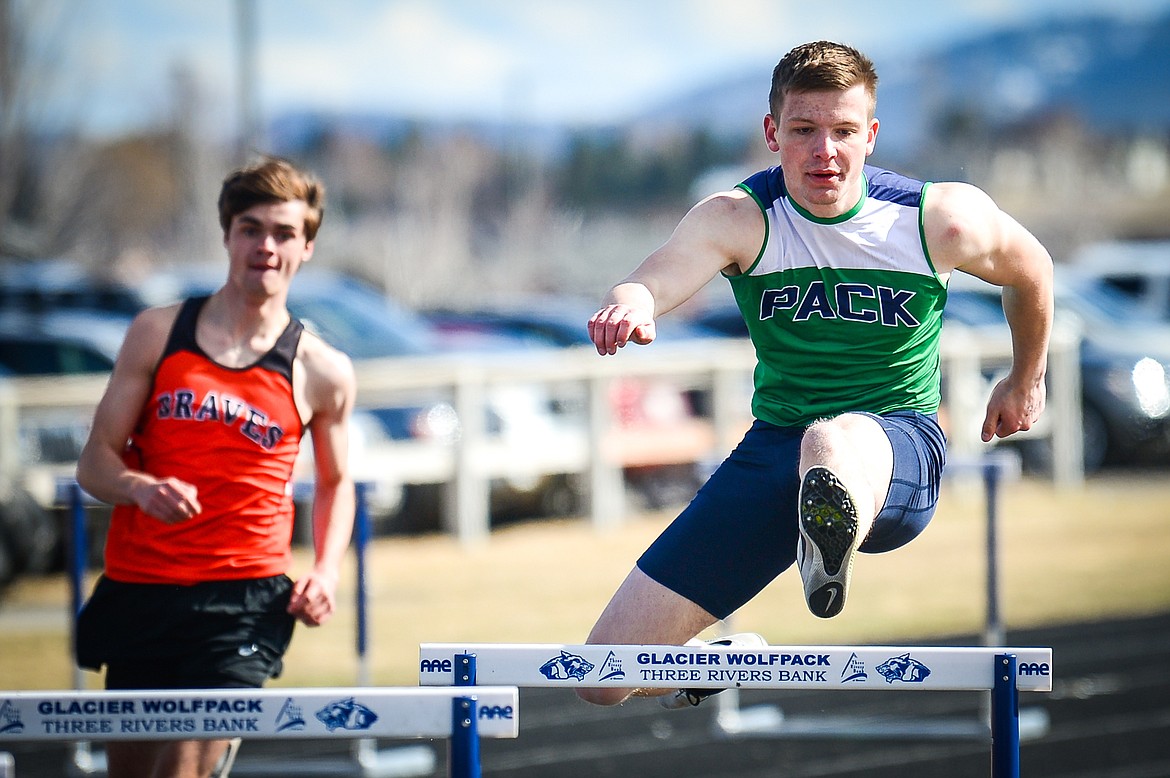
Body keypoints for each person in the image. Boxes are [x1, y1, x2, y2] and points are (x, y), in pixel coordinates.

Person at [579, 41, 1053, 708]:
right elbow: (655, 276)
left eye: (842, 132)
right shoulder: (741, 219)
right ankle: (726, 654)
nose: (823, 152)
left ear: (872, 136)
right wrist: (630, 304)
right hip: (773, 454)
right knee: (600, 678)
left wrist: (1025, 378)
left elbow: (1031, 268)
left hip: (895, 443)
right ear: (773, 133)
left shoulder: (934, 219)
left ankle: (825, 531)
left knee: (828, 444)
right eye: (803, 131)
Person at [74, 157, 357, 777]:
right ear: (228, 235)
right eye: (251, 228)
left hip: (242, 603)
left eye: (283, 232)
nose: (266, 246)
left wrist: (328, 572)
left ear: (306, 245)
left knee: (185, 773)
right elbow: (93, 463)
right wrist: (137, 488)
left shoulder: (322, 369)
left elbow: (336, 483)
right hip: (143, 591)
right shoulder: (157, 333)